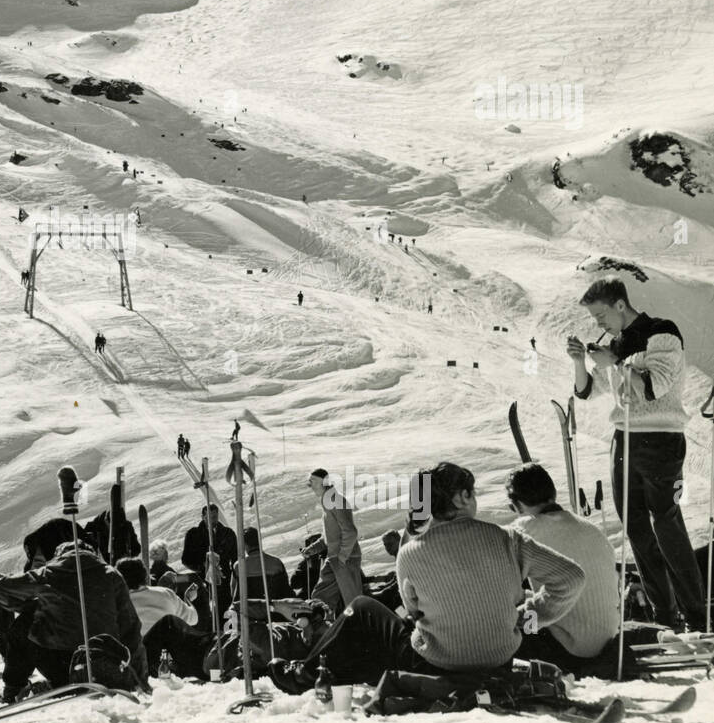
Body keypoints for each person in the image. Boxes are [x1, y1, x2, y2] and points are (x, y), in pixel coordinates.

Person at [269, 462, 586, 692]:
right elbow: (571, 578)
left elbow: (413, 609)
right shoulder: (507, 539)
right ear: (461, 498)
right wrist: (528, 619)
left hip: (438, 663)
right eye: (472, 493)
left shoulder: (411, 552)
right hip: (499, 659)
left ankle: (302, 675)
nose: (476, 499)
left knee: (361, 609)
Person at [568, 277, 705, 629]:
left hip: (661, 438)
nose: (599, 324)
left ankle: (697, 613)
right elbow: (587, 391)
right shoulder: (616, 343)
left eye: (601, 315)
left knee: (666, 524)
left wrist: (614, 361)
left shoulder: (661, 333)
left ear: (619, 305)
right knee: (637, 528)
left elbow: (653, 387)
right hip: (624, 439)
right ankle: (664, 616)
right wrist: (580, 362)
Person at [0, 534, 145, 701]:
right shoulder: (112, 575)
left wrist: (34, 602)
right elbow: (131, 627)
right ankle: (61, 683)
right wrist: (138, 678)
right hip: (101, 664)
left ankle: (14, 690)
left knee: (25, 622)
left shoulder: (48, 573)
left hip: (59, 664)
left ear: (59, 556)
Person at [505, 463, 622, 674]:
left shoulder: (522, 531)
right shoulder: (591, 528)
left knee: (505, 624)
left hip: (569, 648)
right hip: (606, 639)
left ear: (518, 505)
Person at [115, 557, 199, 684]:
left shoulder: (118, 602)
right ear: (145, 575)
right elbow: (193, 619)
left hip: (135, 664)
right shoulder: (166, 593)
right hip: (168, 660)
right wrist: (187, 599)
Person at [307, 469, 364, 611]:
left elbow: (350, 532)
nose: (310, 485)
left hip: (345, 558)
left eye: (312, 481)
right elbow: (330, 536)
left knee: (353, 603)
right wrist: (312, 549)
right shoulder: (328, 501)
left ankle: (363, 630)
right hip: (335, 559)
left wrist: (342, 557)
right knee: (320, 599)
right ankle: (325, 627)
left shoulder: (335, 500)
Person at [181, 504, 238, 605]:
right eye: (209, 517)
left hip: (224, 582)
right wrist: (202, 567)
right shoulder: (193, 534)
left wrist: (235, 576)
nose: (212, 520)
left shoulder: (228, 534)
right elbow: (186, 559)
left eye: (215, 517)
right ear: (203, 517)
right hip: (202, 582)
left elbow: (235, 558)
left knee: (224, 611)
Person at [231, 526, 291, 603]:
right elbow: (285, 589)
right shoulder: (276, 563)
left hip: (250, 610)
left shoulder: (239, 566)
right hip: (273, 608)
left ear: (244, 544)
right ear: (259, 541)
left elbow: (234, 591)